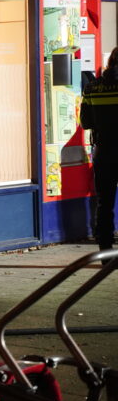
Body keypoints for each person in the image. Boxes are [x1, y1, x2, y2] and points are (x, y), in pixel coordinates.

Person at [80, 47, 118, 255]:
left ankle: (105, 252)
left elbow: (85, 123)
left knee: (104, 203)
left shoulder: (92, 88)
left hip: (104, 153)